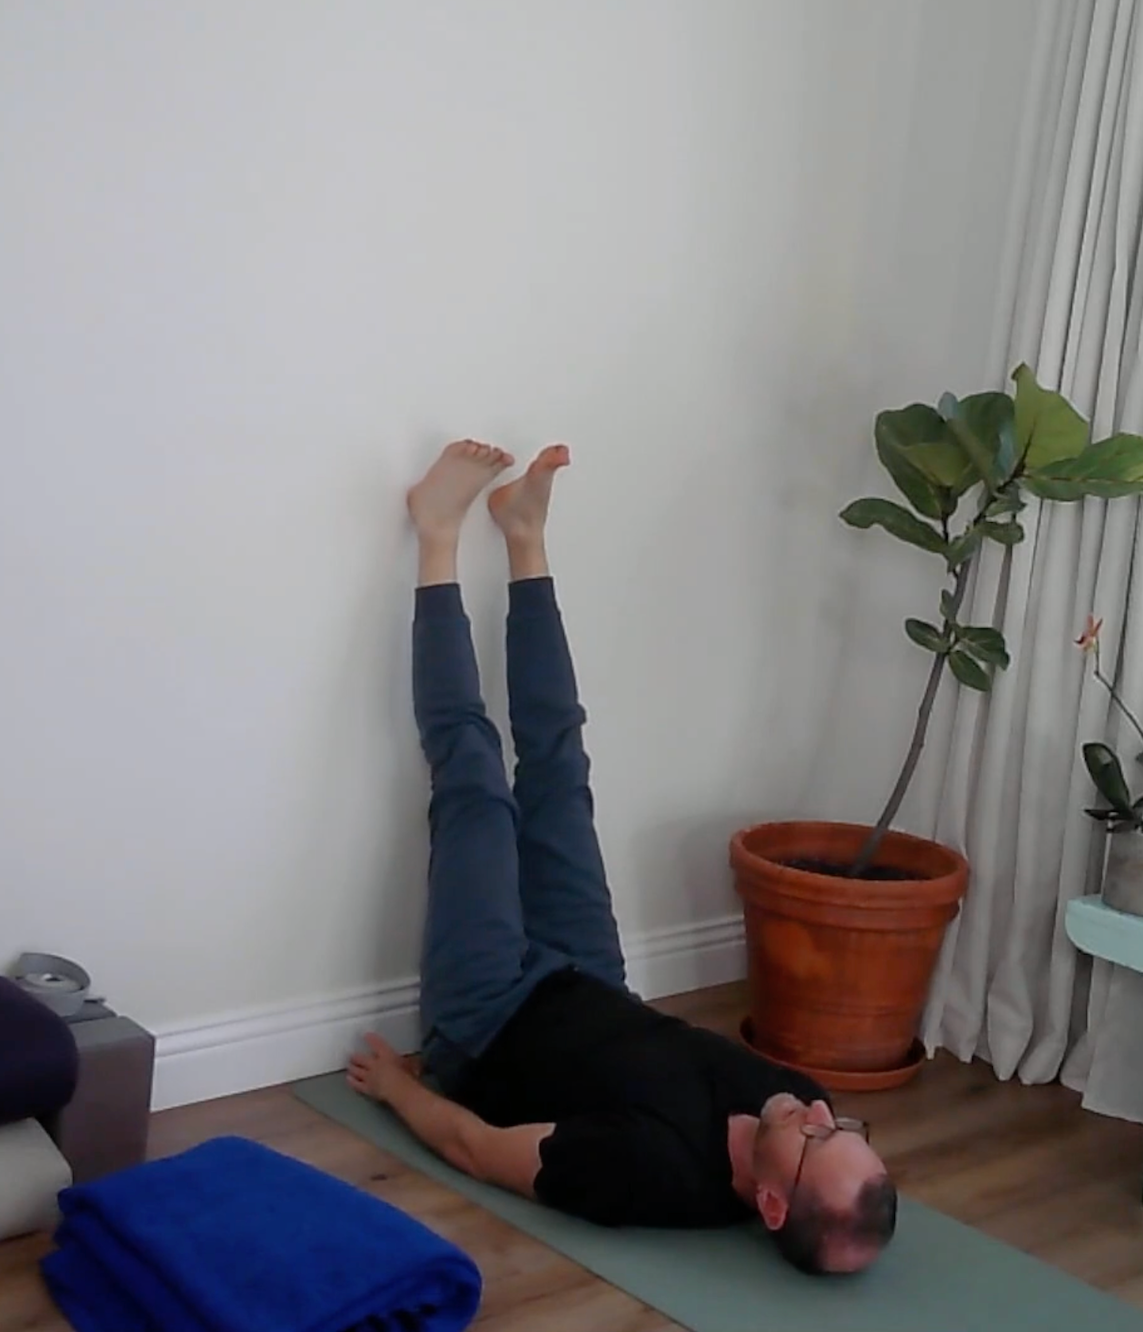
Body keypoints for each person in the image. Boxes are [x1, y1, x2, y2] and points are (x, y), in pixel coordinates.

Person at [343, 441, 898, 1275]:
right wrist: (815, 1124)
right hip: (593, 982)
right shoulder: (799, 1105)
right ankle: (525, 535)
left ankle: (436, 534)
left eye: (817, 1140)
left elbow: (476, 1147)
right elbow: (718, 1081)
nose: (822, 1115)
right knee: (561, 766)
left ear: (772, 1202)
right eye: (844, 1127)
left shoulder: (648, 1180)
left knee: (475, 784)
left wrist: (397, 1090)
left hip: (487, 1019)